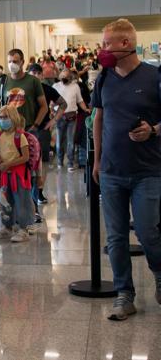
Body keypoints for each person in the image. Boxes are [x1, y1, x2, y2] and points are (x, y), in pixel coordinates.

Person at [92, 18, 161, 321]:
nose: (102, 49)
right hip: (111, 171)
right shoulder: (104, 78)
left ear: (125, 44)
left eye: (107, 43)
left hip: (148, 171)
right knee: (116, 238)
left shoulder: (154, 76)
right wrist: (96, 159)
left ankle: (159, 274)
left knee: (148, 233)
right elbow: (98, 118)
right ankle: (124, 294)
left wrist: (153, 130)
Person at [27, 63, 67, 205]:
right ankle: (26, 192)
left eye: (38, 74)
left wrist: (54, 121)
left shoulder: (47, 89)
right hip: (25, 130)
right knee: (26, 161)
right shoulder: (24, 91)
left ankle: (39, 191)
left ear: (42, 75)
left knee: (42, 162)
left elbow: (63, 104)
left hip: (42, 130)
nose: (36, 77)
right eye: (32, 74)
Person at [0, 105, 34, 242]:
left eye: (5, 117)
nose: (2, 120)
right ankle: (7, 227)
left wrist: (8, 164)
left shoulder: (19, 136)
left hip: (18, 174)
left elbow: (25, 157)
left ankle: (24, 228)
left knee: (21, 200)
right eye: (0, 117)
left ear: (13, 117)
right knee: (6, 201)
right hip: (5, 174)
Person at [0, 49, 48, 135]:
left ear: (22, 62)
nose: (11, 64)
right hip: (8, 128)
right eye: (9, 61)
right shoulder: (2, 82)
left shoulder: (33, 81)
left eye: (15, 61)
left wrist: (35, 125)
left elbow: (44, 106)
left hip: (28, 128)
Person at [52, 69, 89, 171]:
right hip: (59, 116)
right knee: (59, 140)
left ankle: (70, 163)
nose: (64, 78)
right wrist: (51, 110)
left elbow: (80, 100)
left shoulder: (75, 86)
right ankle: (59, 161)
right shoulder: (55, 86)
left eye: (67, 76)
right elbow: (51, 101)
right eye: (63, 76)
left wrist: (85, 108)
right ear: (59, 76)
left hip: (72, 116)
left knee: (70, 141)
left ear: (71, 77)